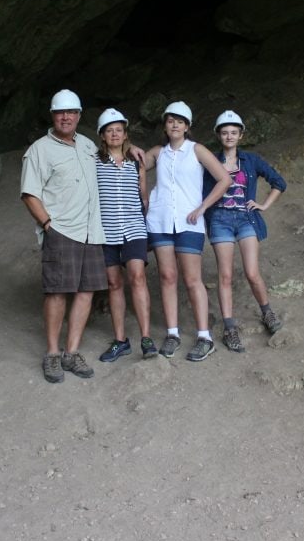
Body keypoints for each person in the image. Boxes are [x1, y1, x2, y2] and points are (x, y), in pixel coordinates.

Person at [20, 89, 107, 383]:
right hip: (62, 230)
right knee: (56, 292)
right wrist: (48, 225)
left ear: (79, 115)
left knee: (86, 291)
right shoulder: (40, 150)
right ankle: (53, 354)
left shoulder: (87, 145)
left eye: (71, 112)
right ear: (53, 116)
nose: (66, 117)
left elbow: (112, 160)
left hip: (92, 231)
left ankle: (72, 352)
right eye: (60, 112)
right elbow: (30, 193)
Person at [141, 101, 231, 362]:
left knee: (192, 279)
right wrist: (144, 195)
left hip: (189, 222)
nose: (175, 124)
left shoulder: (197, 150)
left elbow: (224, 179)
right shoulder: (158, 152)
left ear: (187, 126)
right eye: (170, 120)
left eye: (180, 121)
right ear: (165, 125)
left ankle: (205, 336)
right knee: (168, 276)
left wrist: (202, 206)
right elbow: (134, 164)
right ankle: (172, 333)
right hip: (160, 221)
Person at [204, 110, 287, 352]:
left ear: (241, 135)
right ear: (219, 135)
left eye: (233, 132)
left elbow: (279, 182)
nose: (229, 136)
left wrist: (264, 205)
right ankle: (230, 329)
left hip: (246, 219)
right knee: (225, 276)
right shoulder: (209, 160)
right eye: (225, 132)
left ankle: (267, 313)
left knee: (252, 272)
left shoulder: (251, 160)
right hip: (219, 219)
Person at [93, 108, 158, 362]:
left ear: (125, 133)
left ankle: (146, 338)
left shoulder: (136, 161)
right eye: (109, 130)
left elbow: (143, 197)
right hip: (106, 231)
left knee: (138, 277)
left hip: (133, 228)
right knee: (114, 284)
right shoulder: (94, 161)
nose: (115, 134)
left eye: (119, 129)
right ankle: (120, 341)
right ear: (102, 135)